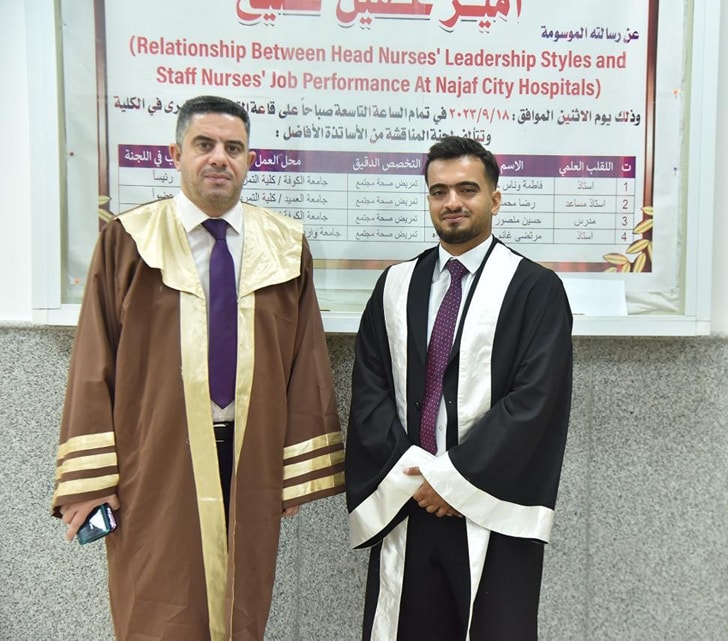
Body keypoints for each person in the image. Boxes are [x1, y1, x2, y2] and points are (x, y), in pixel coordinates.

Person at [51, 95, 345, 640]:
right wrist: (92, 479)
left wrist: (295, 468)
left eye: (233, 148)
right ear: (176, 154)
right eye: (204, 144)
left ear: (249, 160)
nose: (218, 158)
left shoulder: (284, 245)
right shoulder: (129, 240)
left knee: (242, 601)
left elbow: (306, 359)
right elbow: (94, 359)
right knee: (158, 599)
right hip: (155, 455)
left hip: (252, 453)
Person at [346, 136, 573, 640]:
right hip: (409, 498)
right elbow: (369, 390)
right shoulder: (395, 285)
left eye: (467, 189)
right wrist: (415, 477)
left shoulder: (535, 289)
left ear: (495, 198)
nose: (452, 202)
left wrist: (453, 481)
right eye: (439, 191)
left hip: (492, 503)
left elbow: (534, 402)